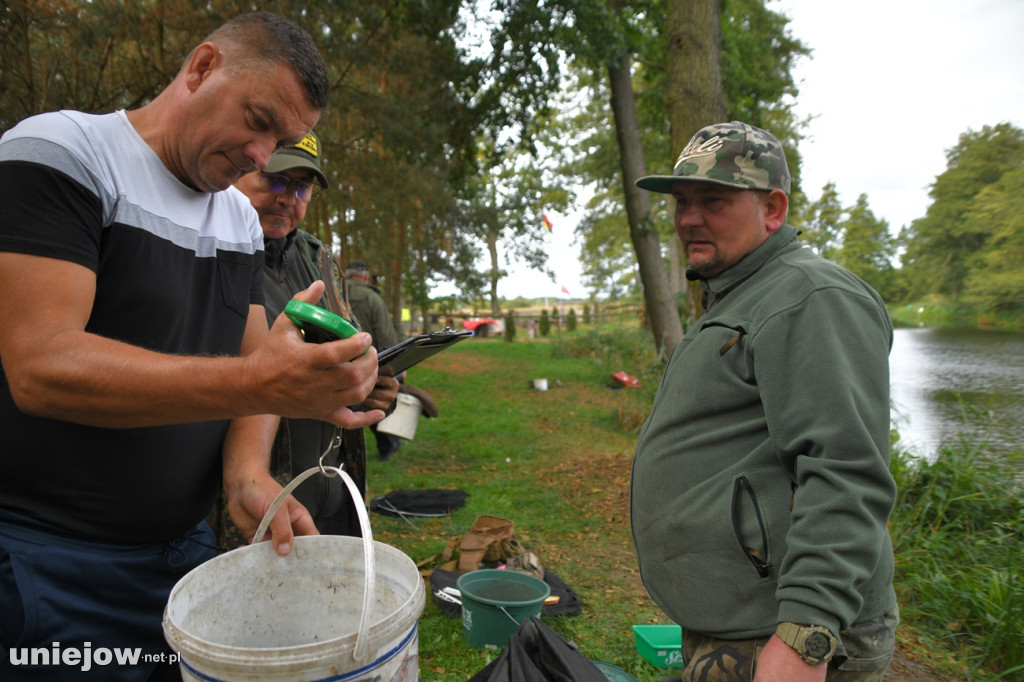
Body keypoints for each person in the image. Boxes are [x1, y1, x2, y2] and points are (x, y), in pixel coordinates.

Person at [0, 13, 384, 681]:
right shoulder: (62, 152)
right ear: (201, 68)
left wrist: (246, 472)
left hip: (187, 556)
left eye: (285, 141)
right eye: (258, 121)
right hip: (52, 562)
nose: (264, 157)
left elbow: (254, 357)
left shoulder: (236, 218)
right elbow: (41, 365)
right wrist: (261, 384)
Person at [630, 121, 898, 682]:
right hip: (739, 620)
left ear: (772, 209)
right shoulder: (743, 292)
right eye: (681, 202)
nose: (688, 218)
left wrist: (806, 632)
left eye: (714, 201)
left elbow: (846, 471)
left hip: (782, 633)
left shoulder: (811, 298)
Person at [220, 132, 399, 541]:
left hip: (332, 494)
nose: (289, 197)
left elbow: (346, 343)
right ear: (239, 172)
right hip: (248, 511)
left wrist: (370, 386)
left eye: (303, 187)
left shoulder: (318, 257)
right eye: (275, 180)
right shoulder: (209, 252)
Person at [345, 259, 405, 460]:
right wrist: (398, 366)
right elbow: (386, 336)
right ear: (365, 277)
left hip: (337, 362)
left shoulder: (331, 292)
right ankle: (388, 445)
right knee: (379, 403)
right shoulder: (372, 299)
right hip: (373, 362)